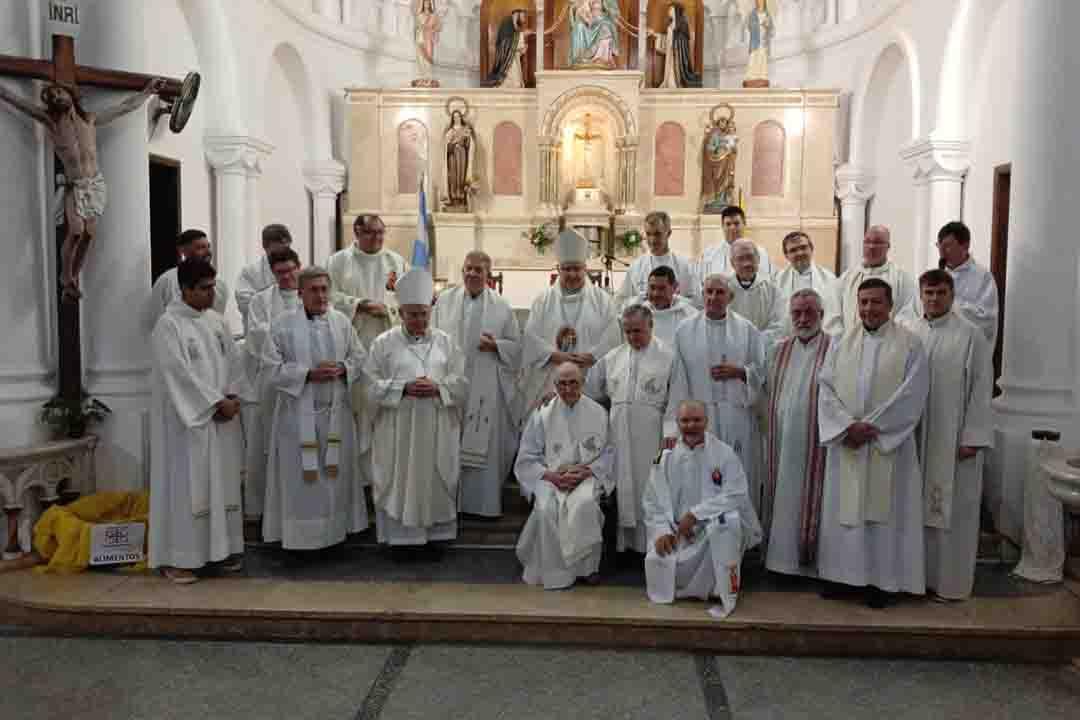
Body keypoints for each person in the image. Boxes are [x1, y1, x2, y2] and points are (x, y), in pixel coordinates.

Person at [817, 279, 930, 607]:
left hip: (886, 447)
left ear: (890, 304)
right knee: (845, 514)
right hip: (848, 443)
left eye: (875, 302)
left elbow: (912, 393)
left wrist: (874, 427)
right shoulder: (841, 343)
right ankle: (843, 579)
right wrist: (846, 427)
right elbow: (825, 388)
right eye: (863, 302)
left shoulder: (910, 344)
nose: (868, 309)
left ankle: (883, 582)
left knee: (884, 516)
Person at [0, 77, 165, 300]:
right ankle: (65, 277)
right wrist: (3, 92)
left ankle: (73, 277)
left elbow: (124, 107)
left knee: (89, 234)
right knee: (76, 231)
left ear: (69, 94)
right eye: (52, 97)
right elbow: (22, 104)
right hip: (74, 185)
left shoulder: (89, 119)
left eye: (59, 93)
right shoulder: (53, 122)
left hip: (94, 183)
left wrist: (147, 91)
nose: (57, 97)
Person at [149, 259, 254, 584]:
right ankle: (180, 559)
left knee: (221, 486)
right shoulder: (169, 325)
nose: (212, 294)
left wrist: (234, 397)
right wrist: (215, 403)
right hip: (189, 425)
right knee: (189, 489)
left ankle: (219, 553)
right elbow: (177, 375)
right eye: (204, 288)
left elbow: (235, 364)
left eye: (213, 286)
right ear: (185, 290)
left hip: (222, 421)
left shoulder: (217, 322)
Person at [261, 266, 369, 550]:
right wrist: (307, 374)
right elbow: (270, 369)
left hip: (336, 414)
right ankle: (301, 541)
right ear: (300, 293)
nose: (321, 295)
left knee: (335, 479)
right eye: (314, 290)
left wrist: (344, 368)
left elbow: (359, 357)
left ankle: (333, 536)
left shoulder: (342, 322)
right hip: (296, 418)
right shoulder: (282, 325)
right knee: (301, 483)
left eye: (324, 289)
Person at [904, 270, 993, 600]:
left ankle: (949, 584)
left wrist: (973, 434)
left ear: (952, 295)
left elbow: (982, 387)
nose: (934, 299)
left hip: (953, 440)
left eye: (941, 293)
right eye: (928, 293)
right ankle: (914, 579)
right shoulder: (909, 330)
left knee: (953, 510)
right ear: (920, 294)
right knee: (913, 508)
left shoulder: (970, 335)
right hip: (913, 437)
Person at [364, 268, 467, 546]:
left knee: (436, 476)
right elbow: (369, 385)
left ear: (430, 310)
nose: (419, 319)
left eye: (423, 313)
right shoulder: (383, 344)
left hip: (437, 425)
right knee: (400, 481)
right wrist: (403, 388)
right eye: (412, 314)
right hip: (399, 429)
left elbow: (462, 382)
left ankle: (437, 537)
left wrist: (439, 387)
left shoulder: (446, 343)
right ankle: (400, 539)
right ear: (400, 313)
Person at [643, 400, 762, 617]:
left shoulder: (723, 453)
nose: (691, 425)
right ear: (677, 423)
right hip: (676, 529)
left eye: (697, 420)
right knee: (659, 558)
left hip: (709, 527)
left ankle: (718, 589)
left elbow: (737, 493)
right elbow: (651, 501)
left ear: (707, 421)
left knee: (727, 526)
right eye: (685, 420)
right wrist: (661, 532)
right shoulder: (664, 458)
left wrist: (695, 515)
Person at [432, 251, 522, 517]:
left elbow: (517, 348)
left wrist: (496, 345)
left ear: (488, 275)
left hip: (487, 386)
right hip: (451, 383)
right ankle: (450, 503)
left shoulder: (502, 307)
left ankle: (483, 505)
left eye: (478, 270)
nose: (472, 274)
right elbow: (433, 339)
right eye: (468, 269)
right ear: (462, 270)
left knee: (486, 442)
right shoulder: (444, 302)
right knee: (450, 441)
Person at [668, 273, 766, 513]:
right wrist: (675, 425)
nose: (713, 297)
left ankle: (739, 539)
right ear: (702, 295)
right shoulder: (684, 330)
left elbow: (762, 371)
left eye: (720, 292)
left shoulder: (747, 330)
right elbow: (679, 380)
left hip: (737, 417)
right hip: (700, 421)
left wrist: (741, 372)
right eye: (708, 292)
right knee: (701, 481)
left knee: (736, 476)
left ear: (730, 296)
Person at [515, 362, 613, 589]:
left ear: (583, 382)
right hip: (551, 476)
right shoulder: (542, 413)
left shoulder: (599, 413)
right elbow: (527, 456)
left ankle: (586, 569)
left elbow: (610, 453)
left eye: (573, 383)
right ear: (555, 385)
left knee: (585, 504)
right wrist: (551, 476)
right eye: (562, 384)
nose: (568, 389)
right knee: (545, 509)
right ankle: (553, 571)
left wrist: (587, 471)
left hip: (586, 475)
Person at [328, 213, 408, 488]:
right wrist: (360, 304)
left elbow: (407, 298)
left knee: (384, 412)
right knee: (359, 409)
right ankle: (359, 479)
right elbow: (328, 298)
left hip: (389, 344)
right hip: (356, 344)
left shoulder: (395, 262)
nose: (378, 239)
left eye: (381, 233)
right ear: (357, 232)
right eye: (371, 233)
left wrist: (391, 310)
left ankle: (385, 477)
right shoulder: (339, 262)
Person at [585, 305, 673, 553]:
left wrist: (670, 433)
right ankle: (624, 546)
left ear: (651, 327)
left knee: (649, 488)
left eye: (638, 331)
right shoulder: (612, 357)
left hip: (652, 434)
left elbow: (677, 399)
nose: (633, 337)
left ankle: (651, 546)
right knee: (623, 487)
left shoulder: (668, 356)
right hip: (618, 434)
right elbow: (591, 391)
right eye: (628, 331)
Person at [762, 289, 831, 577]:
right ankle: (780, 564)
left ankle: (813, 566)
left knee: (816, 502)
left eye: (809, 313)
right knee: (783, 501)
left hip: (819, 445)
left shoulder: (835, 348)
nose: (802, 319)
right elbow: (761, 386)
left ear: (822, 315)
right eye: (797, 313)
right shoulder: (778, 350)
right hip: (782, 442)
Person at [521, 228, 619, 412]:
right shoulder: (543, 301)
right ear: (558, 269)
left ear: (585, 268)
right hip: (552, 381)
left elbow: (613, 336)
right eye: (567, 269)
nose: (572, 274)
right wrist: (553, 355)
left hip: (589, 380)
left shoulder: (602, 300)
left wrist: (593, 355)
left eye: (576, 269)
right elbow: (530, 337)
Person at [241, 247, 303, 520]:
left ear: (298, 267)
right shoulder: (261, 301)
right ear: (272, 273)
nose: (287, 276)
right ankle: (266, 509)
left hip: (305, 382)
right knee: (267, 445)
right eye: (280, 272)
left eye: (291, 270)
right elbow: (256, 337)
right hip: (273, 384)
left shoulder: (311, 295)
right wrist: (292, 335)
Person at [826, 225, 915, 335]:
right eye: (867, 242)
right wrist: (843, 342)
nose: (871, 247)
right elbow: (833, 313)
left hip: (888, 344)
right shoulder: (847, 277)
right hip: (850, 345)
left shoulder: (902, 279)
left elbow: (908, 315)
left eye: (878, 242)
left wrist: (888, 338)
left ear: (888, 246)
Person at [615, 211, 701, 310]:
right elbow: (620, 302)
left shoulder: (684, 265)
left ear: (668, 233)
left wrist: (673, 298)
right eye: (648, 234)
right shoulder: (636, 266)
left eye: (657, 234)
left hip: (676, 323)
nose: (652, 240)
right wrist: (639, 299)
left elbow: (698, 303)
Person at [936, 221, 999, 347]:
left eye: (947, 246)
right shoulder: (935, 277)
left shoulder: (983, 277)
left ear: (965, 245)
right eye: (939, 246)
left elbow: (986, 320)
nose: (942, 253)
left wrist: (950, 306)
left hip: (967, 352)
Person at [151, 229, 229, 323]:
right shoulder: (166, 281)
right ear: (182, 251)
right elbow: (156, 319)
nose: (208, 252)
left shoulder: (219, 283)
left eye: (208, 247)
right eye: (200, 248)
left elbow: (218, 319)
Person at [728, 239, 786, 351]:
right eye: (740, 258)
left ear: (758, 259)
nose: (746, 263)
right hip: (731, 349)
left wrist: (756, 342)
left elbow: (779, 324)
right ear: (732, 263)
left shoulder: (773, 290)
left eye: (750, 257)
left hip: (763, 350)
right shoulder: (723, 289)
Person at [774, 231, 837, 331]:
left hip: (820, 338)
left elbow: (833, 314)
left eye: (803, 247)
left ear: (811, 249)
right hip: (788, 338)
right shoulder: (777, 280)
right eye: (793, 250)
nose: (799, 253)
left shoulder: (829, 278)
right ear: (786, 255)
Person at [235, 224, 293, 333]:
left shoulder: (295, 270)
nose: (281, 255)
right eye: (276, 252)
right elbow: (245, 303)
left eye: (286, 249)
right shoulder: (250, 272)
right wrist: (272, 296)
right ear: (265, 247)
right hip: (262, 334)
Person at [698, 206, 773, 279]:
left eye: (736, 223)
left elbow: (766, 282)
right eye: (728, 224)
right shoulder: (709, 254)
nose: (732, 228)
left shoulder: (760, 253)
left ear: (744, 224)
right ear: (722, 226)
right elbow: (701, 282)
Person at [648, 2, 702, 89]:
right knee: (670, 69)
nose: (669, 12)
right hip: (671, 52)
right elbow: (668, 38)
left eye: (671, 10)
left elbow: (683, 40)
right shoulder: (671, 24)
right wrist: (655, 35)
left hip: (678, 53)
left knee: (675, 69)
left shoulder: (683, 23)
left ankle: (677, 82)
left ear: (676, 11)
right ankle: (670, 82)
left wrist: (676, 45)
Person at [643, 266, 698, 348]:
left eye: (662, 288)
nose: (656, 293)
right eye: (652, 287)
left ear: (674, 287)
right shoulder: (639, 314)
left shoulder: (690, 315)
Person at [483, 9, 534, 88]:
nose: (524, 20)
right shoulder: (507, 23)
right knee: (512, 83)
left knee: (516, 82)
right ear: (518, 14)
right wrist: (522, 35)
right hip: (507, 63)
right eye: (523, 16)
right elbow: (506, 43)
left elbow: (513, 48)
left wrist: (522, 49)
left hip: (513, 60)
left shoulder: (514, 25)